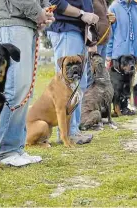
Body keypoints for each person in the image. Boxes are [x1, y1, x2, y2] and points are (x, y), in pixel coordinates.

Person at [0, 1, 55, 167]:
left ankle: (15, 148)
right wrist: (38, 12)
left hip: (25, 22)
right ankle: (5, 150)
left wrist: (45, 10)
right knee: (15, 88)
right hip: (11, 20)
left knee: (24, 89)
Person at [46, 0, 99, 144]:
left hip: (79, 31)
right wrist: (82, 14)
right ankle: (66, 133)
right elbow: (56, 2)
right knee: (66, 86)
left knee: (79, 85)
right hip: (66, 29)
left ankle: (73, 130)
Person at [106, 0, 137, 115]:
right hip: (118, 56)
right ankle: (114, 109)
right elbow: (110, 32)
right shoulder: (114, 7)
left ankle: (125, 107)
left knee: (128, 84)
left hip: (133, 54)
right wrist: (109, 55)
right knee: (117, 85)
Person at [86, 0, 116, 88]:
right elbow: (87, 19)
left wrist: (112, 19)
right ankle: (87, 100)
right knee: (91, 75)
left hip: (103, 42)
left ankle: (95, 99)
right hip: (94, 43)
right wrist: (91, 41)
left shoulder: (102, 1)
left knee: (99, 74)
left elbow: (102, 18)